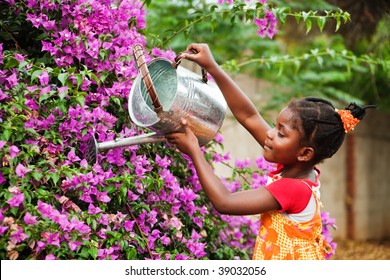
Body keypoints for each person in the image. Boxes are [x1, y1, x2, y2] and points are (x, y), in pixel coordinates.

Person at [165, 43, 375, 260]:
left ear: (305, 153)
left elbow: (224, 202)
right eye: (275, 126)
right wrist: (213, 67)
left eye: (281, 133)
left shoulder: (293, 188)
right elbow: (250, 117)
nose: (270, 134)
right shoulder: (298, 167)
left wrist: (194, 150)